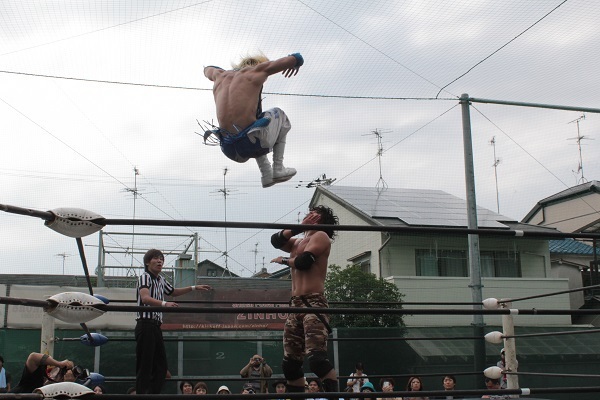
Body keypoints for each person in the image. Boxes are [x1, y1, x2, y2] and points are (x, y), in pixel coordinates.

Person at [203, 52, 304, 188]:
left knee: (254, 124)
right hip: (252, 142)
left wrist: (219, 70)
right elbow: (296, 58)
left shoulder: (219, 75)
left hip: (229, 150)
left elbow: (206, 69)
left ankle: (266, 174)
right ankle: (278, 168)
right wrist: (295, 63)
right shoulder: (257, 70)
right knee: (279, 114)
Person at [270, 205, 339, 395]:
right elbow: (275, 240)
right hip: (295, 304)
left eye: (314, 214)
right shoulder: (297, 242)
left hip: (313, 302)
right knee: (290, 365)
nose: (309, 215)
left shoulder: (321, 237)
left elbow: (303, 262)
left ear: (320, 220)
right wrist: (298, 228)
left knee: (317, 359)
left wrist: (284, 261)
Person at [135, 249, 211, 394]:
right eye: (156, 258)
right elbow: (145, 298)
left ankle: (152, 394)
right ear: (147, 262)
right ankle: (142, 396)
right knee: (145, 365)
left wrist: (194, 287)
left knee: (162, 367)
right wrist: (164, 304)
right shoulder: (145, 277)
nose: (160, 261)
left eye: (161, 259)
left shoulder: (160, 279)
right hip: (145, 324)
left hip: (156, 326)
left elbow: (173, 291)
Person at [9, 352, 79, 393]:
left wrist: (67, 384)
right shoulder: (35, 378)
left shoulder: (58, 392)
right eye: (59, 371)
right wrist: (59, 364)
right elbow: (33, 357)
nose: (58, 375)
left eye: (62, 376)